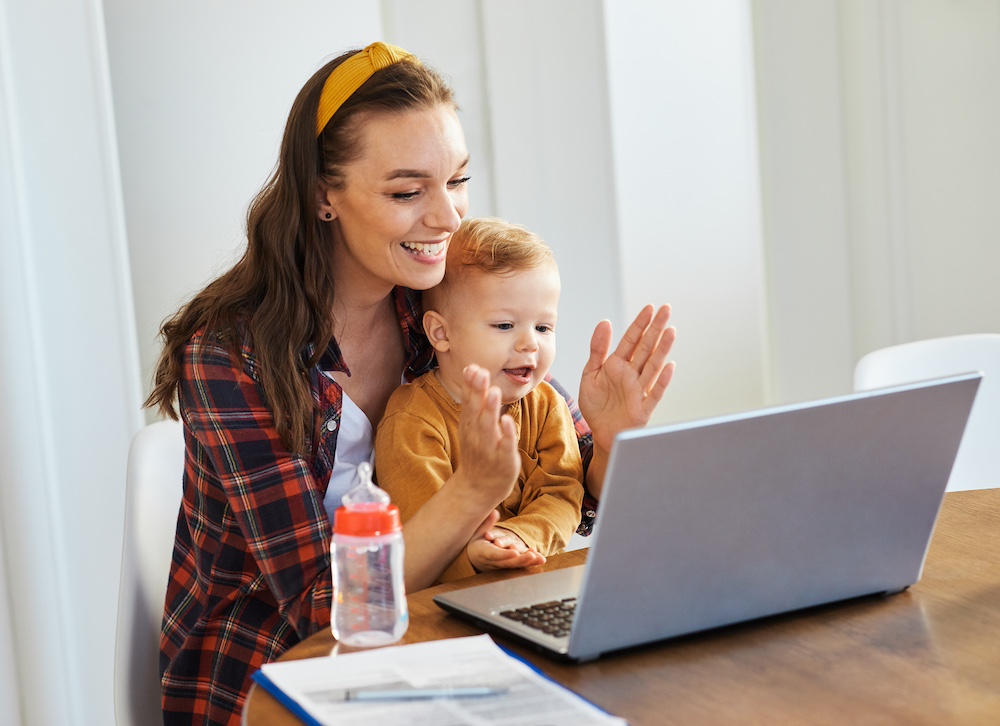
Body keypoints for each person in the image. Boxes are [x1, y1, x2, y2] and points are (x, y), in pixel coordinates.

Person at [144, 41, 676, 725]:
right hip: (276, 675)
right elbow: (323, 608)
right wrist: (470, 495)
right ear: (323, 197)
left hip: (449, 639)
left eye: (456, 181)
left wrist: (613, 440)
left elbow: (573, 498)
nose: (448, 218)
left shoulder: (444, 306)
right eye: (407, 191)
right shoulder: (228, 358)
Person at [376, 217, 585, 584]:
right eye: (505, 326)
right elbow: (421, 527)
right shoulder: (413, 419)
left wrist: (519, 537)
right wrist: (476, 552)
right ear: (441, 332)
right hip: (444, 601)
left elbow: (563, 492)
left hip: (533, 582)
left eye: (543, 327)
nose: (530, 344)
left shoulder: (547, 403)